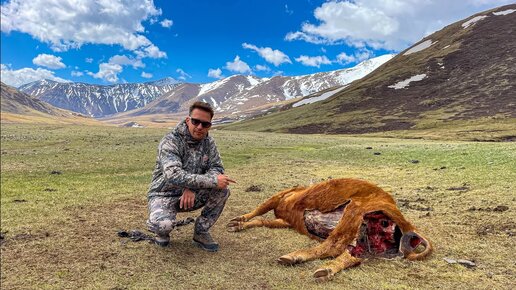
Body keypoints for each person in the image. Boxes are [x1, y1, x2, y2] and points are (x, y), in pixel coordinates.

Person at [146, 101, 236, 252]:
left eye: (205, 124)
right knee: (163, 225)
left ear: (210, 125)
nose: (200, 127)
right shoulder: (171, 141)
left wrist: (192, 188)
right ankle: (160, 230)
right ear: (188, 120)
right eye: (196, 122)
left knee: (222, 190)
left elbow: (217, 168)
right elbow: (172, 174)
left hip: (192, 196)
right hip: (164, 194)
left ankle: (201, 232)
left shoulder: (209, 142)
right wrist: (211, 180)